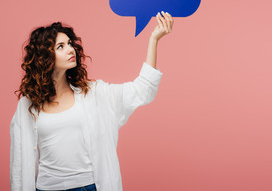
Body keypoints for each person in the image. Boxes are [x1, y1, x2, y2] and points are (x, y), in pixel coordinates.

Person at [10, 11, 174, 191]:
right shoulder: (27, 106)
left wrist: (154, 40)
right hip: (47, 187)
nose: (70, 49)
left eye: (70, 44)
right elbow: (19, 162)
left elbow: (142, 90)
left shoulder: (94, 94)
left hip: (89, 186)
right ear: (43, 57)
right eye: (60, 47)